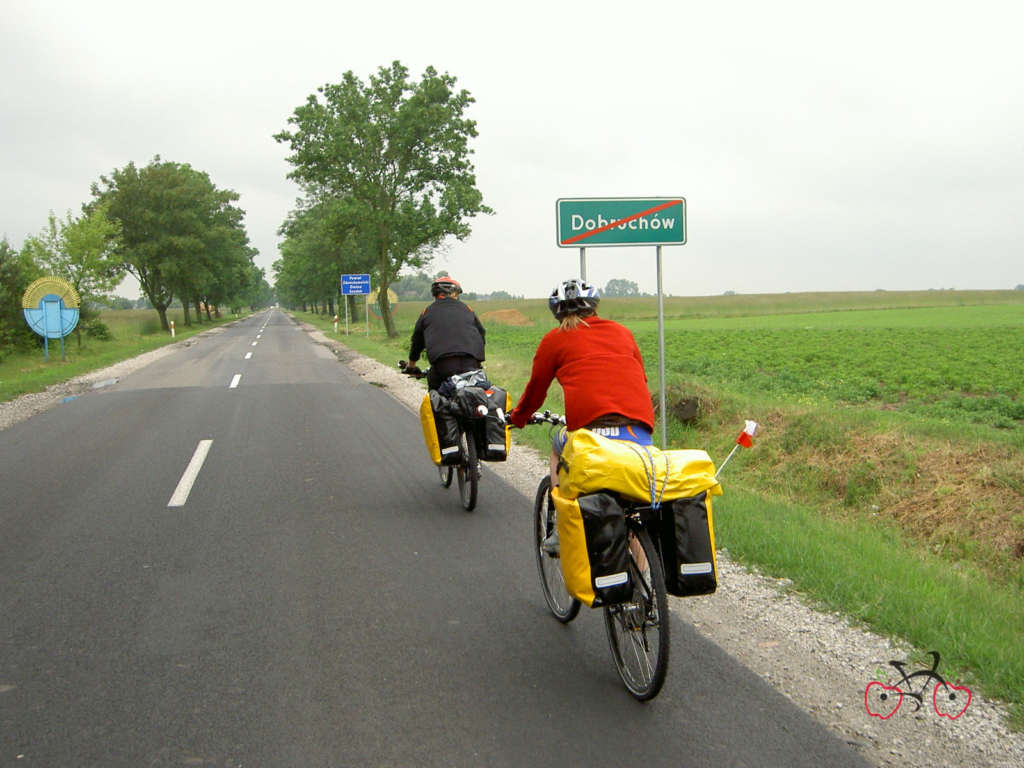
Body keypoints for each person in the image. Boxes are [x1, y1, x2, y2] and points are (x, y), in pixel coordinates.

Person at [508, 278, 655, 555]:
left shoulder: (554, 340)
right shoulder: (623, 333)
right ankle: (644, 587)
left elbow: (536, 390)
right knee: (633, 509)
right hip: (639, 429)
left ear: (557, 312)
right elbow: (642, 379)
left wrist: (518, 418)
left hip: (591, 433)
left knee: (557, 448)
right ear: (595, 307)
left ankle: (562, 527)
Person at [407, 276, 487, 391]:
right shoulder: (467, 309)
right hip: (472, 363)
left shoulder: (427, 312)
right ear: (455, 294)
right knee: (477, 392)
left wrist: (411, 365)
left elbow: (417, 342)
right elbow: (482, 334)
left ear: (436, 294)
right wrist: (477, 360)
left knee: (436, 394)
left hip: (443, 365)